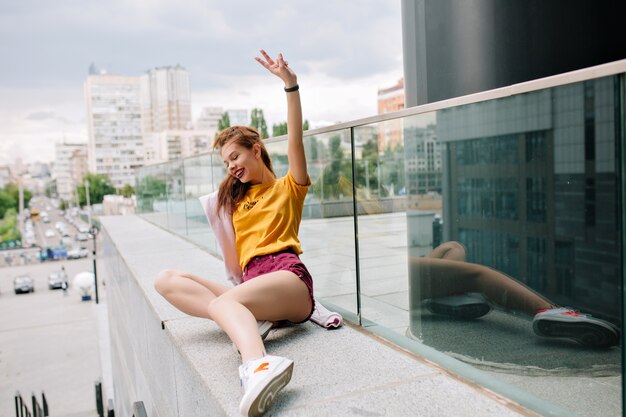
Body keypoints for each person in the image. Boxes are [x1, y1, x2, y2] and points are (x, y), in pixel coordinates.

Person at [155, 50, 313, 417]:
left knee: (224, 304)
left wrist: (290, 85)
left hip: (288, 279)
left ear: (255, 150)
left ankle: (257, 363)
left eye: (235, 157)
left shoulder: (289, 187)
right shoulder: (234, 201)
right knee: (165, 280)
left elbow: (295, 141)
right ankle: (246, 320)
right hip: (251, 284)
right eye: (225, 163)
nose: (231, 166)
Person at [413, 241, 619, 348]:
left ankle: (447, 295)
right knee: (479, 275)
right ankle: (550, 312)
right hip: (385, 270)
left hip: (389, 270)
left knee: (452, 247)